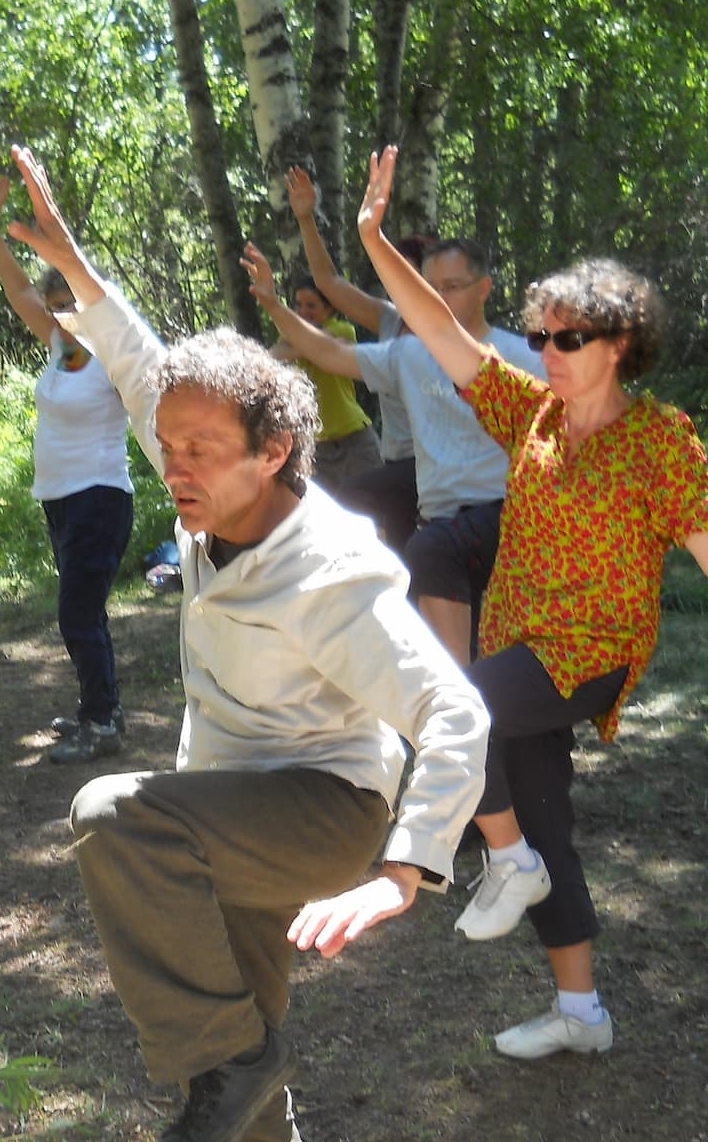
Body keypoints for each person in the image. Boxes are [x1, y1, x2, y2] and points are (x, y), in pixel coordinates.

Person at [4, 143, 490, 1142]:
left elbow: (456, 714)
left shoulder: (334, 573)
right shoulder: (211, 467)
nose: (175, 466)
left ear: (277, 451)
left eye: (201, 451)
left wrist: (402, 872)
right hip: (221, 820)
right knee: (245, 1058)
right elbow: (135, 360)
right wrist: (67, 257)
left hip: (324, 813)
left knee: (108, 812)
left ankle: (220, 1063)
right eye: (167, 447)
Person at [355, 145, 708, 1060]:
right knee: (543, 810)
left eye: (568, 339)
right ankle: (580, 1011)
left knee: (455, 712)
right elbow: (440, 332)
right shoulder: (531, 415)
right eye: (542, 337)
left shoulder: (664, 443)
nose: (546, 352)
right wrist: (374, 242)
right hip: (520, 642)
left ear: (619, 344)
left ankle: (505, 861)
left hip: (589, 651)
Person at [242, 232, 542, 666]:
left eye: (452, 287)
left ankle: (462, 711)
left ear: (484, 289)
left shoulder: (523, 357)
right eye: (428, 288)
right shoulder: (408, 354)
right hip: (439, 523)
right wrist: (273, 304)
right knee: (452, 639)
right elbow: (328, 353)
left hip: (509, 521)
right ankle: (452, 711)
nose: (438, 298)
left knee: (449, 584)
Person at [0, 178, 134, 765]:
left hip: (100, 497)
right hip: (61, 499)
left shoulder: (115, 358)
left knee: (75, 613)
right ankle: (101, 710)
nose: (59, 315)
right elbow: (15, 285)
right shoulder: (58, 348)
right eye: (54, 307)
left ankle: (101, 721)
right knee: (84, 612)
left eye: (69, 305)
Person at [284, 165, 426, 551]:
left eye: (412, 275)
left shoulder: (453, 335)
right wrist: (305, 218)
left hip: (441, 473)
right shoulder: (389, 320)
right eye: (396, 275)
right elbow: (329, 283)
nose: (403, 285)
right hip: (399, 468)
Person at [271, 272, 382, 491]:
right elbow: (274, 354)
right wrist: (300, 347)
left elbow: (327, 345)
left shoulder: (342, 329)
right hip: (316, 445)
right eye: (299, 305)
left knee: (377, 501)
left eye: (311, 305)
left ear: (330, 308)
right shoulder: (292, 336)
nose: (303, 312)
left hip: (354, 438)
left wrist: (295, 347)